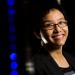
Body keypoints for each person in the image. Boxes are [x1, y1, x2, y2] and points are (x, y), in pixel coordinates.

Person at [30, 1, 75, 75]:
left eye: (61, 22)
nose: (58, 30)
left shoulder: (72, 58)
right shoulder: (36, 65)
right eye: (49, 25)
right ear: (37, 33)